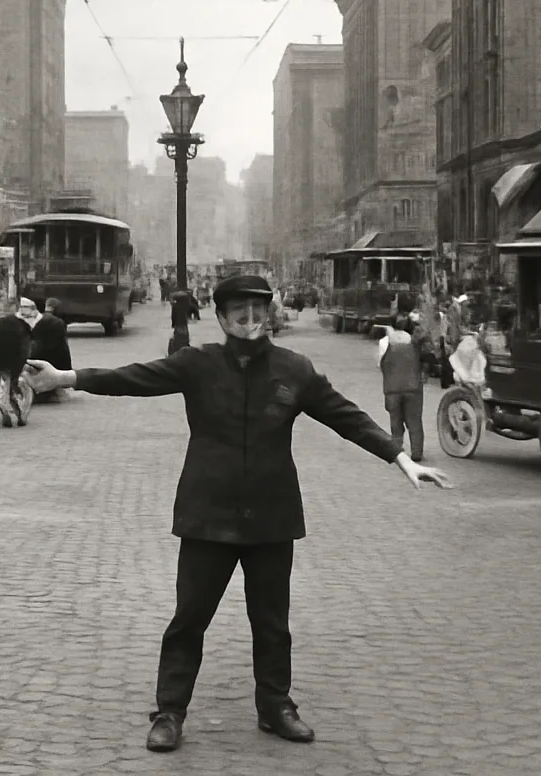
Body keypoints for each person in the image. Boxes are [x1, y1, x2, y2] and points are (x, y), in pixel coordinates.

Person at [26, 274, 452, 753]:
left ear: (268, 315)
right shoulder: (197, 365)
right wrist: (66, 377)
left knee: (272, 622)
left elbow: (346, 416)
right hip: (207, 515)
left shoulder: (295, 370)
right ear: (223, 318)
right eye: (240, 314)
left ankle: (275, 705)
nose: (250, 322)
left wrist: (401, 458)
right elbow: (134, 378)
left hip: (272, 518)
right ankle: (170, 710)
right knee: (189, 618)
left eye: (257, 312)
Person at [377, 313, 428, 462]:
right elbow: (425, 357)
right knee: (414, 421)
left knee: (396, 422)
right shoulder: (415, 342)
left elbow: (380, 363)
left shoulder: (385, 342)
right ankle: (417, 452)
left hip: (392, 388)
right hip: (413, 387)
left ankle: (397, 451)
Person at [0, 299, 35, 427]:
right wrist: (23, 362)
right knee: (11, 392)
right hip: (11, 364)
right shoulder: (22, 326)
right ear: (17, 309)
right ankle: (20, 416)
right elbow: (25, 348)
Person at [30, 298, 71, 403]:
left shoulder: (36, 319)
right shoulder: (59, 323)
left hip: (33, 355)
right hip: (51, 357)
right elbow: (63, 348)